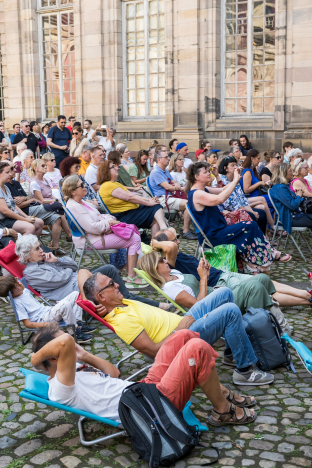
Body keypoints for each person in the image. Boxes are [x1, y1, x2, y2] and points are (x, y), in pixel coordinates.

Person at [31, 325, 258, 426]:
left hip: (142, 390)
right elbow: (66, 341)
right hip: (149, 409)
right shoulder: (60, 387)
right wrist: (34, 359)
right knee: (196, 347)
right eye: (67, 348)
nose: (73, 343)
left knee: (184, 336)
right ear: (53, 358)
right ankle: (223, 411)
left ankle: (220, 391)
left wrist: (86, 356)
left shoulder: (77, 372)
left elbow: (114, 373)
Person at [83, 269, 273, 387]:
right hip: (180, 342)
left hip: (183, 324)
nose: (117, 284)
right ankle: (245, 371)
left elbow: (83, 274)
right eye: (110, 284)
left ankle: (233, 353)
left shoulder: (120, 302)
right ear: (101, 297)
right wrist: (179, 329)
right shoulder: (121, 320)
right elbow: (156, 353)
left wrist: (90, 304)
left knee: (224, 293)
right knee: (230, 311)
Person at [151, 229, 312, 317]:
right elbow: (170, 247)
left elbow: (172, 244)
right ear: (163, 246)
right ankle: (308, 299)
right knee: (261, 292)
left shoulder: (175, 255)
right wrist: (155, 242)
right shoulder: (168, 260)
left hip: (222, 274)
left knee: (263, 281)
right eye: (175, 239)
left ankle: (306, 295)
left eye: (178, 238)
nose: (178, 241)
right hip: (219, 283)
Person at [187, 162, 291, 274]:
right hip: (214, 235)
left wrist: (235, 178)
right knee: (250, 226)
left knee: (243, 214)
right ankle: (266, 256)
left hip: (218, 229)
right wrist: (236, 180)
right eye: (205, 172)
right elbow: (220, 199)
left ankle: (256, 262)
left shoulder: (203, 190)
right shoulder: (197, 194)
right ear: (196, 176)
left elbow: (223, 190)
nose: (209, 173)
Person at [16, 234, 169, 309]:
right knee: (111, 286)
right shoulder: (31, 272)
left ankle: (127, 299)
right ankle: (153, 304)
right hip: (74, 290)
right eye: (37, 249)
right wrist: (69, 272)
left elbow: (74, 265)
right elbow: (61, 279)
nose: (41, 250)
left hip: (79, 280)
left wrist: (57, 260)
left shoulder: (45, 260)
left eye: (40, 246)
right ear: (27, 255)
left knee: (109, 269)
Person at [63, 175, 147, 288]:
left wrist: (109, 220)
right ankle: (131, 277)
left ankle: (127, 269)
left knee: (129, 233)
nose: (85, 186)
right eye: (81, 185)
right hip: (89, 240)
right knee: (134, 238)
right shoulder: (75, 206)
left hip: (95, 236)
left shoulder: (81, 202)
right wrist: (110, 223)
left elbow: (99, 216)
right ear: (72, 191)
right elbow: (93, 227)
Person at [0, 276, 94, 343]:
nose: (19, 284)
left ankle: (77, 324)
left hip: (47, 311)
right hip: (42, 319)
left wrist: (50, 308)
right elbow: (27, 324)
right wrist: (47, 324)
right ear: (12, 295)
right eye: (17, 287)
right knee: (65, 304)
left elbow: (36, 306)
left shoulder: (24, 291)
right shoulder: (18, 303)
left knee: (75, 294)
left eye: (17, 281)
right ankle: (74, 333)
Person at [5, 163, 66, 256]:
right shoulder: (5, 186)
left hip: (30, 208)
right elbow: (17, 205)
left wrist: (25, 199)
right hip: (26, 211)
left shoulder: (16, 183)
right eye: (12, 168)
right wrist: (28, 201)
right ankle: (30, 252)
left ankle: (55, 247)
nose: (15, 170)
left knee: (56, 217)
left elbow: (26, 198)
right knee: (56, 206)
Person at [98, 160, 167, 236]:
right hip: (124, 216)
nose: (117, 168)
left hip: (131, 212)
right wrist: (149, 203)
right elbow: (130, 197)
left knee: (155, 217)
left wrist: (150, 200)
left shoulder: (114, 184)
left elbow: (132, 196)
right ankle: (164, 229)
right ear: (106, 171)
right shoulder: (107, 185)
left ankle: (156, 241)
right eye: (113, 167)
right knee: (156, 207)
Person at [148, 148, 197, 240]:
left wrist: (177, 185)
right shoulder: (156, 172)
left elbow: (175, 182)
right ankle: (185, 230)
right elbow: (168, 187)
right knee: (188, 203)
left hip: (170, 197)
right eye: (166, 157)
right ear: (159, 159)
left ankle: (187, 228)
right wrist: (180, 187)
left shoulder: (165, 170)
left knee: (192, 201)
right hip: (162, 199)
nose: (168, 159)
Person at [217, 156, 271, 233]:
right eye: (232, 165)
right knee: (251, 215)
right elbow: (230, 204)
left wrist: (252, 211)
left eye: (236, 165)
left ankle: (263, 238)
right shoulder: (221, 181)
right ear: (225, 168)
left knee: (261, 213)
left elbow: (243, 199)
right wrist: (251, 212)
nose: (236, 167)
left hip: (239, 208)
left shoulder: (235, 180)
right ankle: (253, 240)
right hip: (227, 211)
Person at [29, 159, 72, 243]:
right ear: (35, 168)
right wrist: (55, 200)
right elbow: (41, 200)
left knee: (58, 216)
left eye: (45, 165)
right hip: (42, 207)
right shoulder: (34, 183)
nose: (45, 167)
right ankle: (69, 234)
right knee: (59, 208)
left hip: (51, 204)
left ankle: (56, 246)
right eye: (42, 165)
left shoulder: (45, 179)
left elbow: (50, 195)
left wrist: (58, 199)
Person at [0, 162, 43, 237]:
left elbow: (14, 205)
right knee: (30, 227)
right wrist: (25, 219)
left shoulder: (6, 187)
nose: (10, 174)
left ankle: (34, 246)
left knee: (39, 222)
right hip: (3, 221)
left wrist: (26, 217)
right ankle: (23, 247)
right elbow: (5, 211)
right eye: (7, 172)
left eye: (10, 172)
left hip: (11, 217)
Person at [270, 163, 312, 232]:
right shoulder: (280, 188)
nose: (292, 172)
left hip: (296, 215)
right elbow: (293, 206)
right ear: (283, 174)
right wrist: (298, 195)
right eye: (290, 171)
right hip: (290, 218)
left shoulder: (283, 186)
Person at [240, 149, 275, 223]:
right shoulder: (247, 171)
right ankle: (274, 226)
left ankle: (273, 226)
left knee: (276, 198)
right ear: (252, 158)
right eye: (258, 158)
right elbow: (246, 189)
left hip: (258, 195)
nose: (259, 161)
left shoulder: (251, 170)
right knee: (276, 197)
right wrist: (259, 183)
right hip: (253, 197)